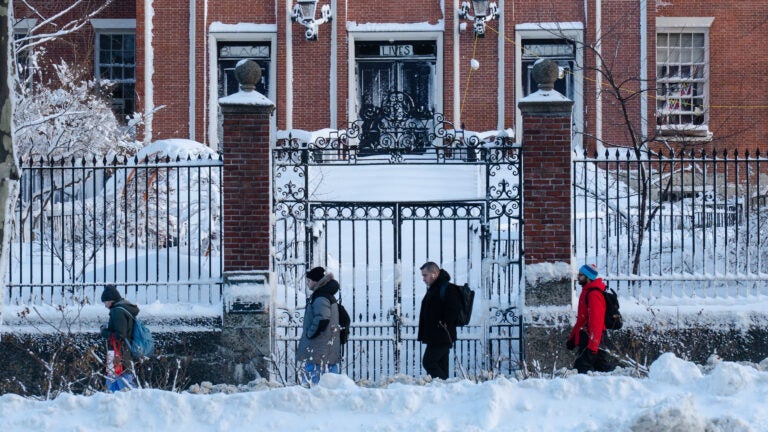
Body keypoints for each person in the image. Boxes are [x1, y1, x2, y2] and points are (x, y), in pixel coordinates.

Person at [566, 264, 616, 374]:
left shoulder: (594, 295)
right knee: (601, 370)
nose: (578, 277)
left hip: (593, 340)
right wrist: (573, 338)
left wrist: (593, 347)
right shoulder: (586, 292)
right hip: (587, 338)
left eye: (581, 275)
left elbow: (596, 322)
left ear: (588, 277)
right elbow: (581, 320)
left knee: (580, 372)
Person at [417, 261, 462, 380]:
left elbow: (454, 308)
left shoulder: (446, 287)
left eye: (425, 275)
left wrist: (442, 324)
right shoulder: (435, 288)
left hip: (442, 335)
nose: (423, 279)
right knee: (441, 366)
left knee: (428, 362)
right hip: (436, 335)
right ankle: (444, 391)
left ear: (434, 274)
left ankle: (445, 386)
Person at [297, 266, 342, 384]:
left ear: (316, 281)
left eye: (309, 280)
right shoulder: (326, 295)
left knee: (314, 382)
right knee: (330, 380)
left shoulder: (320, 297)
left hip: (318, 346)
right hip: (325, 345)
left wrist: (310, 333)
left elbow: (322, 318)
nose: (307, 283)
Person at [99, 284, 139, 391]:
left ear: (111, 300)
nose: (105, 305)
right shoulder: (122, 308)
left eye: (105, 302)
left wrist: (104, 332)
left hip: (119, 350)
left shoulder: (117, 311)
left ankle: (125, 399)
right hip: (124, 349)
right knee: (121, 375)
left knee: (120, 375)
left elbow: (120, 335)